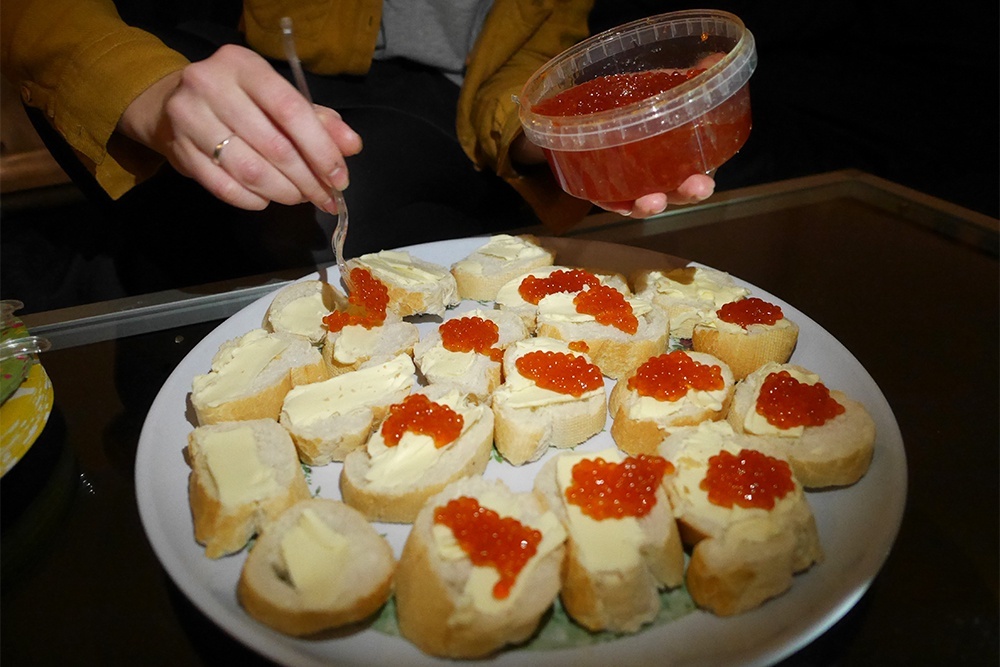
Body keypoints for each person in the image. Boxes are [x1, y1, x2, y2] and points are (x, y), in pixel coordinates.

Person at [2, 0, 714, 287]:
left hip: (458, 114)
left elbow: (530, 61)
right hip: (224, 55)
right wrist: (146, 90)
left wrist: (559, 136)